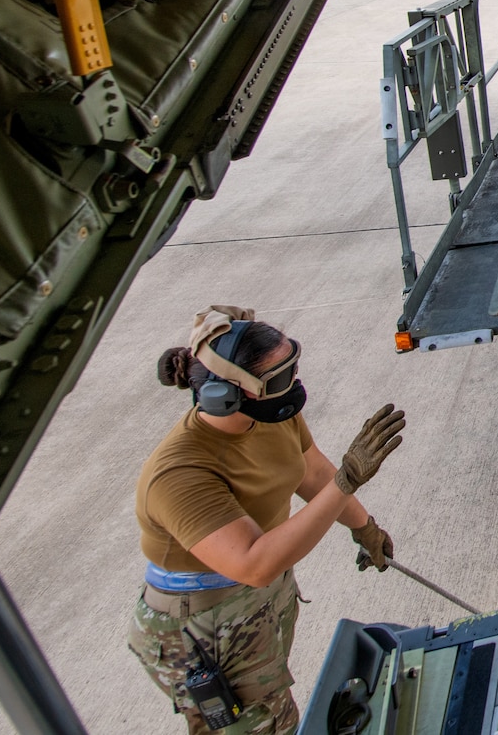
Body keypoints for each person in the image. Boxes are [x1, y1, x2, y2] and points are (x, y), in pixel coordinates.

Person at [128, 306, 407, 734]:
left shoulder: (272, 409)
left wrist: (363, 527)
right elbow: (254, 563)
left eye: (293, 368)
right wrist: (347, 482)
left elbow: (312, 473)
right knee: (263, 724)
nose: (294, 386)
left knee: (275, 705)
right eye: (280, 379)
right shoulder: (179, 474)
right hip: (207, 625)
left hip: (260, 592)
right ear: (228, 394)